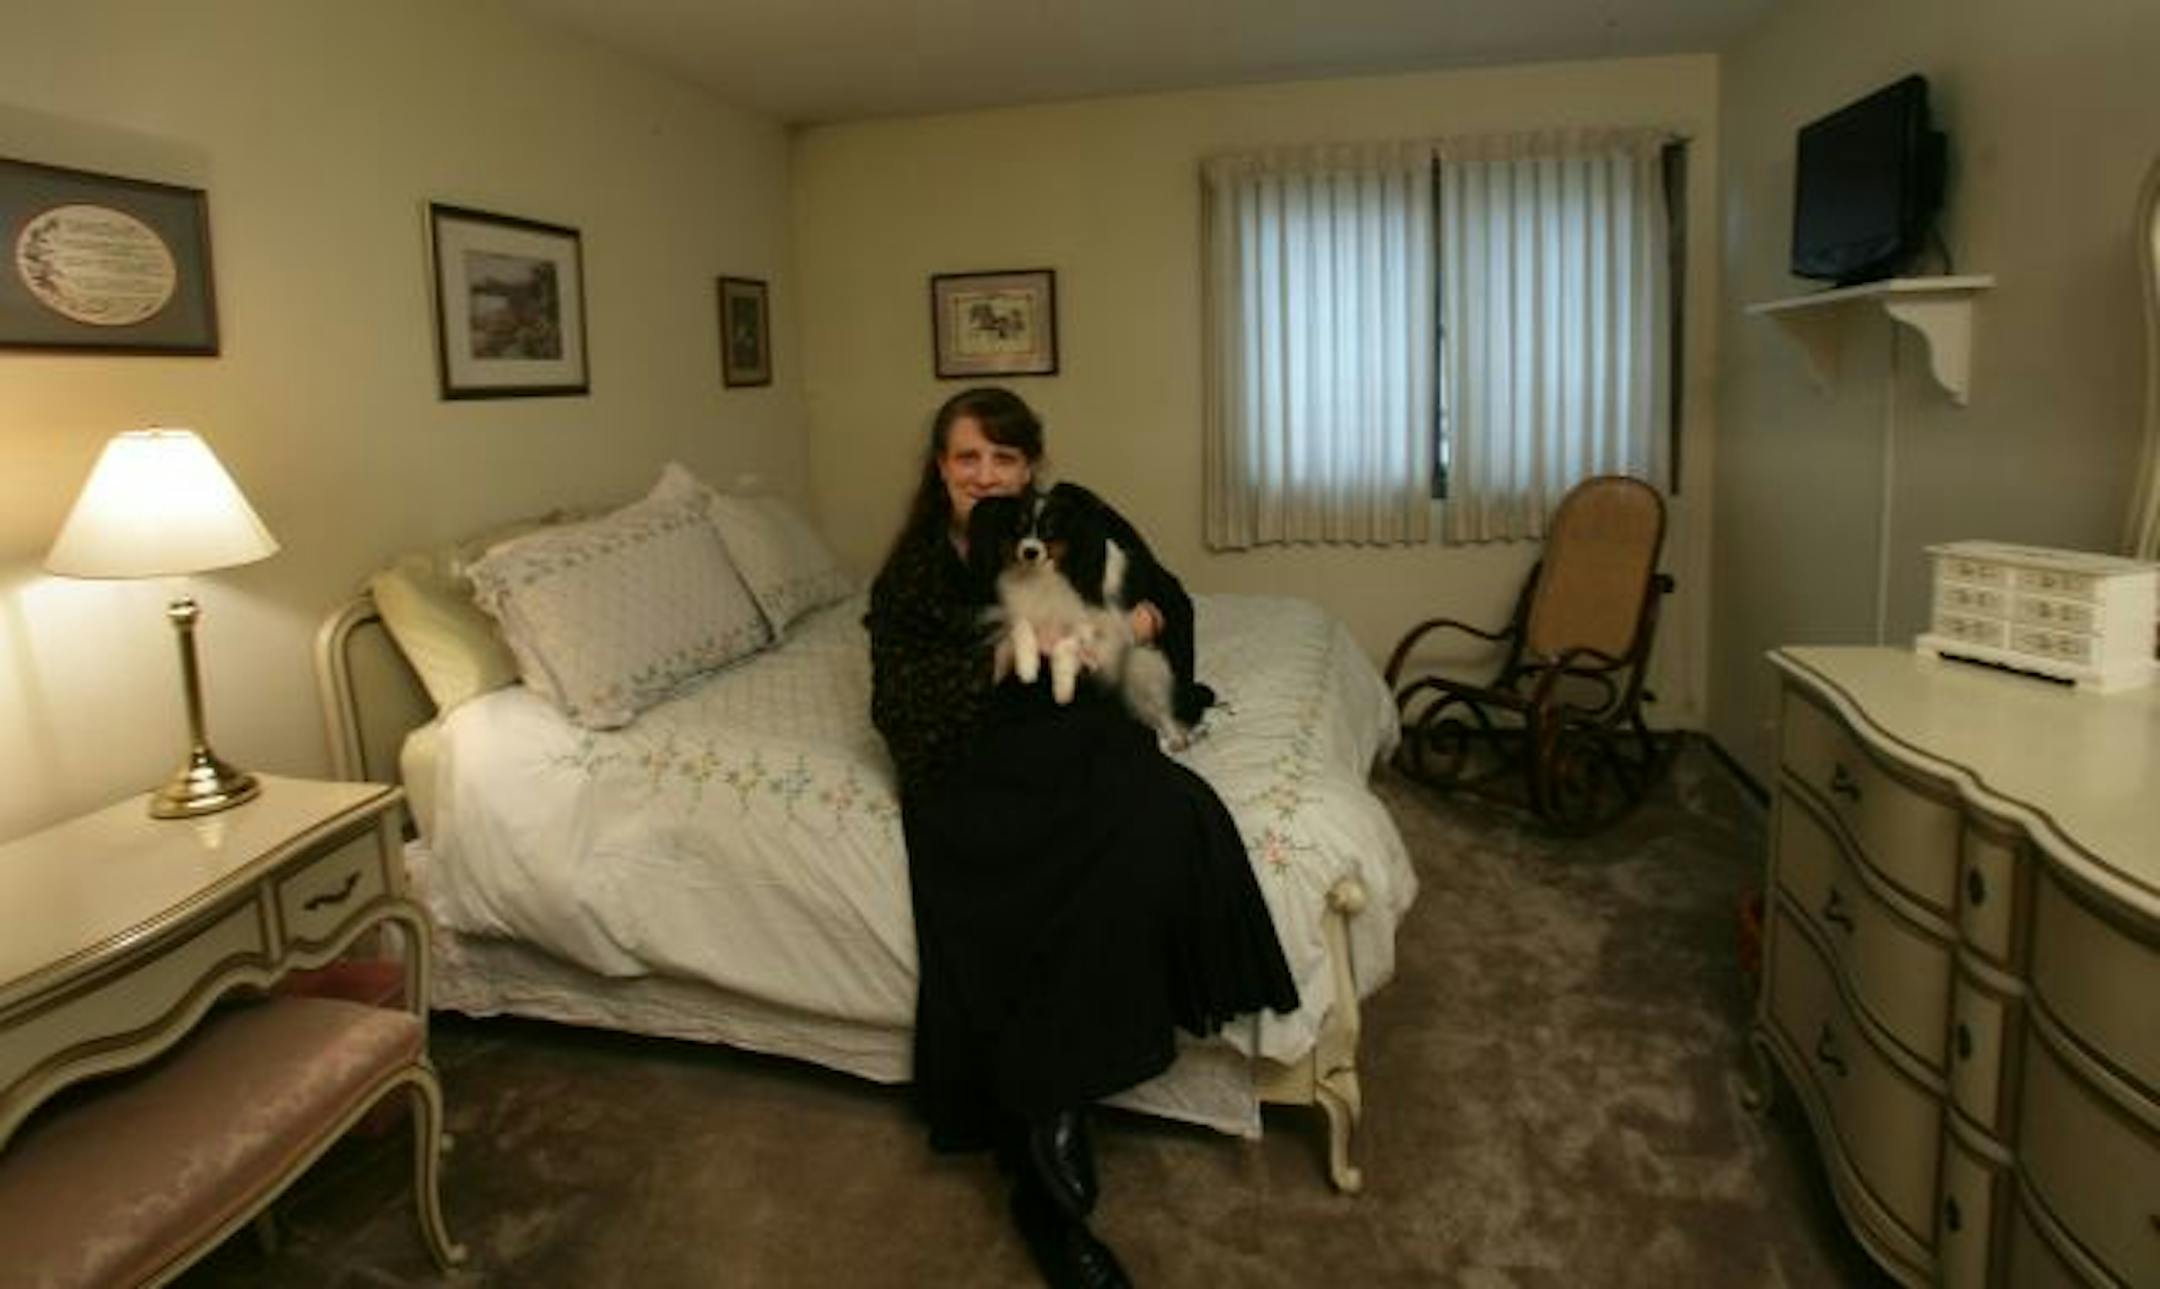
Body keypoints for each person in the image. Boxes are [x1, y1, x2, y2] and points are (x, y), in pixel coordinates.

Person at [865, 387, 1298, 1289]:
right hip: (977, 754)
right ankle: (1046, 1149)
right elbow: (898, 706)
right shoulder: (911, 573)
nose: (985, 476)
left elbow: (1163, 595)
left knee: (1166, 811)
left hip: (1075, 725)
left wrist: (1129, 622)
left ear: (1031, 467)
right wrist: (999, 647)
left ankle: (1049, 1107)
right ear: (940, 468)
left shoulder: (1076, 517)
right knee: (1019, 866)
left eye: (1003, 459)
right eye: (966, 458)